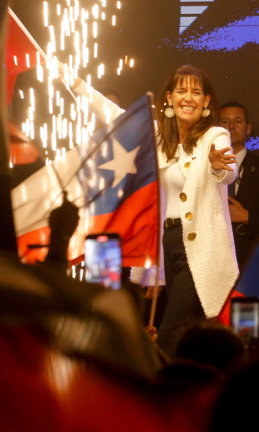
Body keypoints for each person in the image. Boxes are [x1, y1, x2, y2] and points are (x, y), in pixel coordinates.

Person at [75, 65, 238, 356]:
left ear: (206, 102)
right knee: (189, 336)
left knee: (169, 336)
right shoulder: (158, 139)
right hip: (168, 245)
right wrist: (77, 84)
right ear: (169, 98)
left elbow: (229, 173)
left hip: (201, 251)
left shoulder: (215, 135)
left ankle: (159, 393)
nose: (188, 98)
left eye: (196, 92)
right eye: (181, 91)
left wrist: (215, 167)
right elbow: (116, 117)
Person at [217, 101, 259, 268]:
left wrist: (248, 217)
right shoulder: (203, 170)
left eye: (238, 121)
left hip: (255, 263)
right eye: (225, 122)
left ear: (248, 129)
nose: (231, 127)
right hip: (213, 262)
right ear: (216, 129)